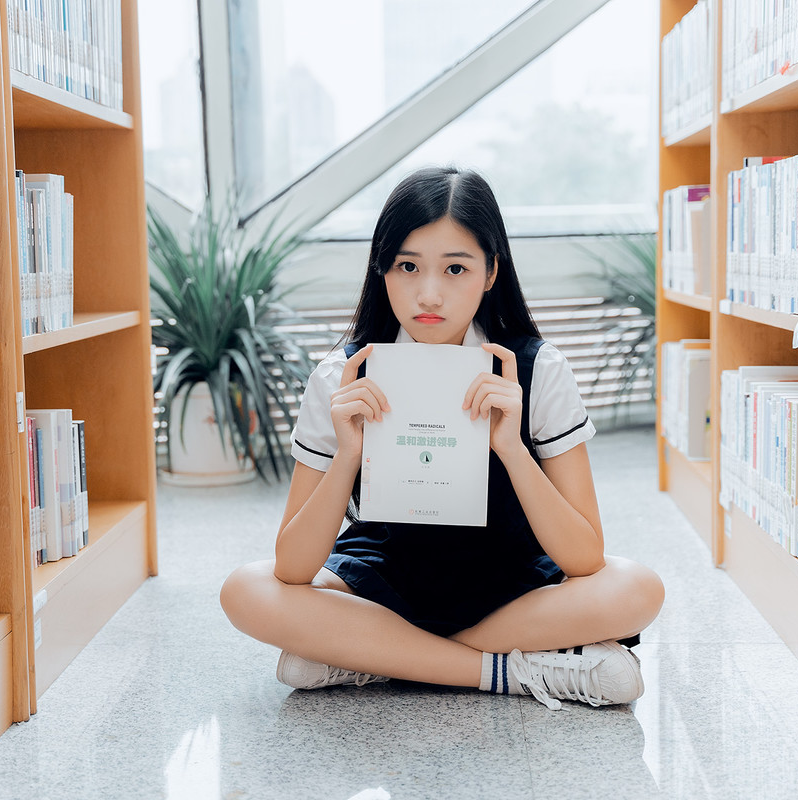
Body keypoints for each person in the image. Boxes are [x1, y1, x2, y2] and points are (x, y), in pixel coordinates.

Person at [220, 166, 665, 709]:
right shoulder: (338, 376)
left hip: (512, 584)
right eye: (407, 265)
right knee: (246, 591)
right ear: (382, 269)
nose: (429, 293)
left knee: (638, 589)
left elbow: (583, 559)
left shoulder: (539, 370)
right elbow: (292, 567)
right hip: (384, 579)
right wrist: (348, 456)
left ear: (491, 271)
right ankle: (511, 672)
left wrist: (511, 447)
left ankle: (371, 657)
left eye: (456, 268)